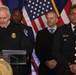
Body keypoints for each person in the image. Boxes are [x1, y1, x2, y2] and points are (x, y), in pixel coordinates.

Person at [0, 5, 32, 75]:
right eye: (0, 18)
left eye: (4, 18)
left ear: (9, 17)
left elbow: (27, 49)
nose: (2, 21)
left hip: (14, 69)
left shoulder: (19, 29)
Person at [52, 4, 76, 75]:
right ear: (69, 15)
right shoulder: (61, 30)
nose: (74, 16)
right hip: (65, 70)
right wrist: (69, 65)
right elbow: (55, 52)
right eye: (72, 13)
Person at [11, 8, 34, 75]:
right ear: (11, 16)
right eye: (15, 15)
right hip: (10, 64)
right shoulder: (7, 29)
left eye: (19, 16)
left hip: (24, 65)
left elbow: (31, 44)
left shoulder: (28, 29)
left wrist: (27, 55)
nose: (17, 18)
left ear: (22, 16)